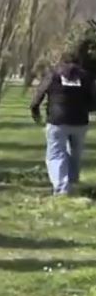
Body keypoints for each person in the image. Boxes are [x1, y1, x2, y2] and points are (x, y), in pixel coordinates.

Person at [30, 51, 96, 195]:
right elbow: (93, 101)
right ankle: (72, 182)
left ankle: (61, 188)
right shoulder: (87, 77)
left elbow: (38, 95)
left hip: (57, 121)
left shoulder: (53, 75)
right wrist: (85, 108)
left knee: (56, 154)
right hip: (80, 121)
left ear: (61, 61)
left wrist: (35, 112)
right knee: (75, 154)